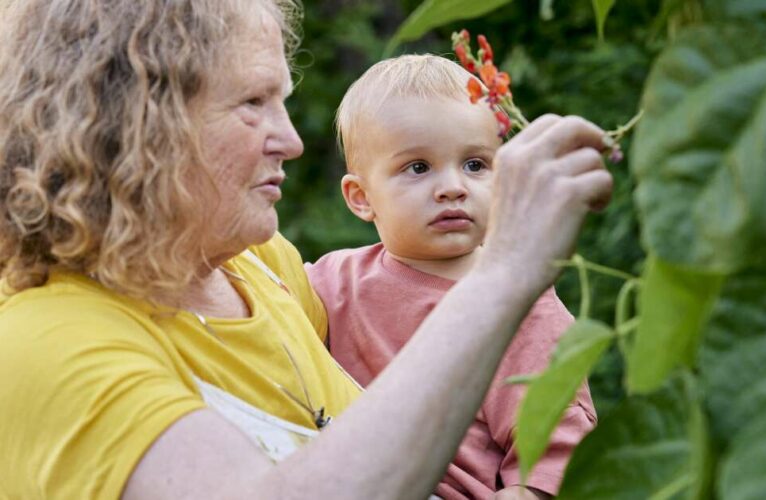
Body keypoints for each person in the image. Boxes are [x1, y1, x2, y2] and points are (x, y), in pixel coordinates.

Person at [0, 0, 613, 498]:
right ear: (142, 120)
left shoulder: (257, 269)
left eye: (283, 103)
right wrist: (505, 272)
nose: (291, 141)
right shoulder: (44, 341)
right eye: (252, 104)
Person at [305, 55, 596, 500]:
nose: (453, 187)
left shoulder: (521, 308)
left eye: (476, 165)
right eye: (418, 167)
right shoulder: (332, 281)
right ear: (361, 198)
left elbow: (552, 461)